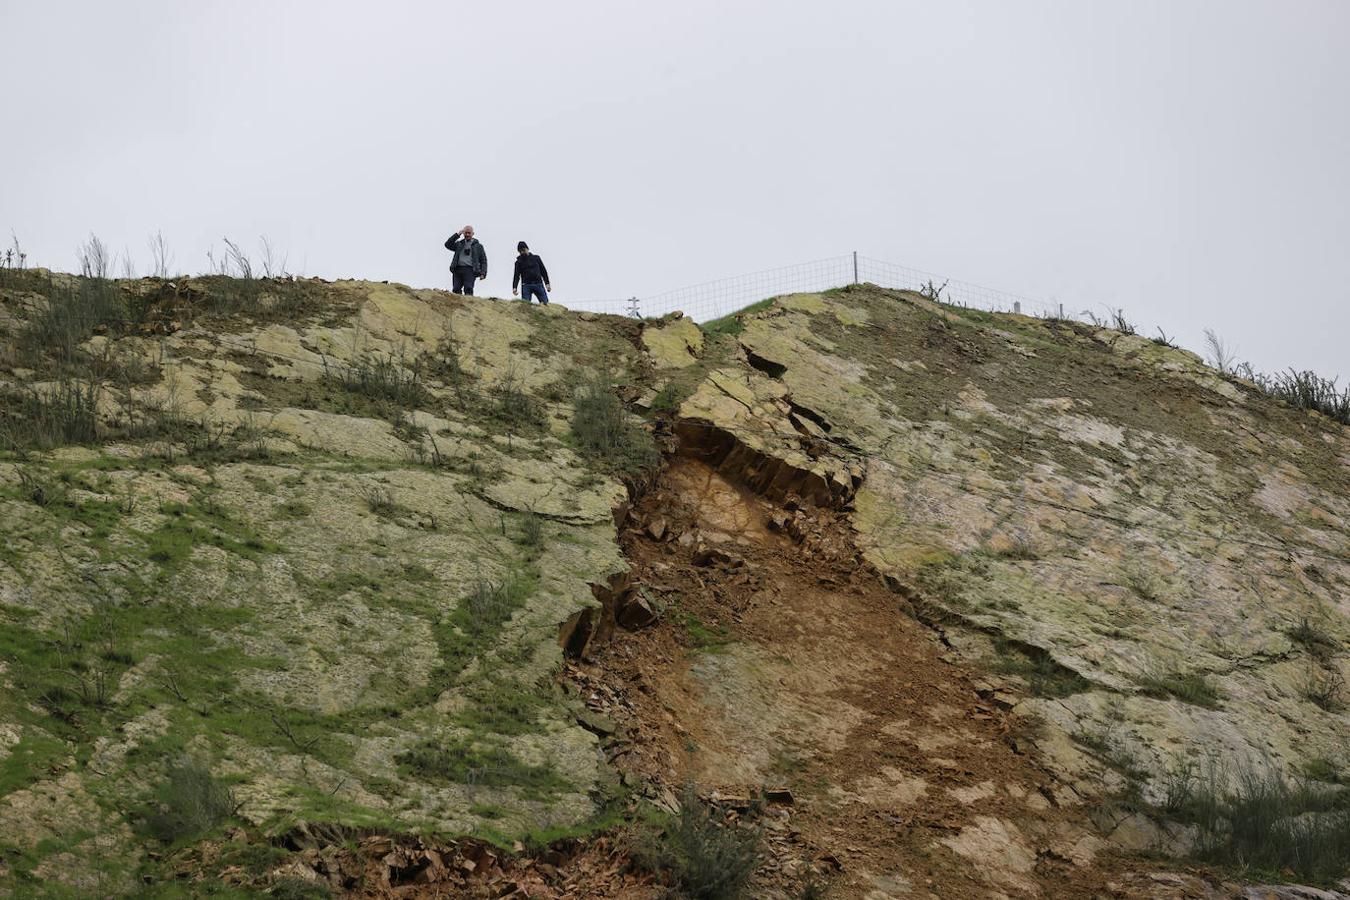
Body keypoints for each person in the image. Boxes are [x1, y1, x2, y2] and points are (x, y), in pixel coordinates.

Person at [444, 225, 487, 295]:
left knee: (468, 288)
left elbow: (483, 260)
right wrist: (458, 234)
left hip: (470, 270)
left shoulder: (478, 246)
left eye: (469, 233)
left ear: (473, 234)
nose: (467, 235)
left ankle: (469, 304)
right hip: (457, 269)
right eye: (466, 233)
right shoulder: (459, 244)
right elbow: (447, 244)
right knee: (456, 288)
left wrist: (483, 273)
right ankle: (457, 304)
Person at [511, 241, 551, 305]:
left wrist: (547, 284)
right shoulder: (518, 262)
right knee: (525, 305)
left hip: (538, 284)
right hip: (526, 285)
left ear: (527, 249)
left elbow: (543, 271)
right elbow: (516, 276)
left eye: (523, 250)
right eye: (520, 251)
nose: (522, 252)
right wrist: (514, 287)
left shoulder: (536, 258)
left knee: (545, 304)